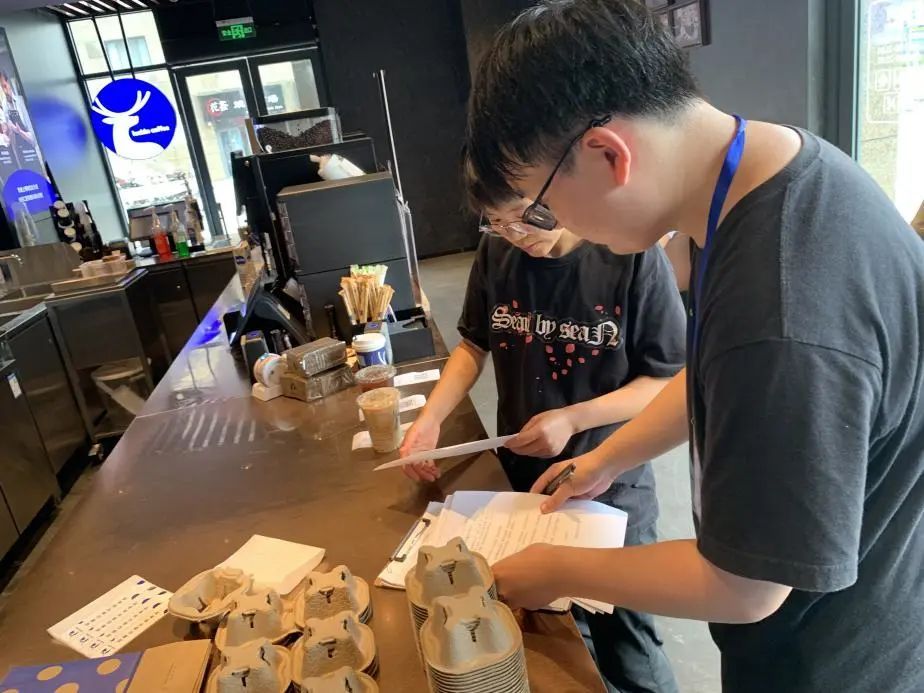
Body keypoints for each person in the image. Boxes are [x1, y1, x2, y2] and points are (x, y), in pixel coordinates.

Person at [463, 2, 924, 692]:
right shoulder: (769, 173)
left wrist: (557, 569)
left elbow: (746, 585)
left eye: (540, 206)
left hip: (829, 661)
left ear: (607, 154)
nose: (549, 227)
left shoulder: (779, 300)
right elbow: (719, 375)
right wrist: (608, 456)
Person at [400, 189, 685, 692]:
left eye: (523, 217)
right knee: (559, 637)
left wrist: (574, 419)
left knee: (628, 643)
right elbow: (473, 344)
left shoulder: (628, 254)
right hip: (525, 488)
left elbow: (664, 381)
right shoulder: (498, 251)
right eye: (496, 222)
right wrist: (431, 417)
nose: (516, 235)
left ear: (554, 188)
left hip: (607, 482)